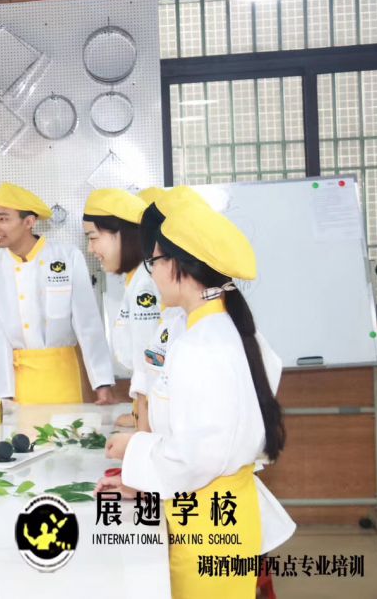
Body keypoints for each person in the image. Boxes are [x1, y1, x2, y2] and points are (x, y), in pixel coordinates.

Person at [98, 197, 294, 598]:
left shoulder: (200, 345)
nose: (152, 274)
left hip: (208, 523)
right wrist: (141, 478)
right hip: (214, 513)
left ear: (178, 266)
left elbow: (195, 457)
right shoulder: (218, 329)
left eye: (154, 262)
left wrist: (135, 449)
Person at [0, 183, 115, 405]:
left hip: (62, 378)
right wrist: (1, 397)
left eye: (3, 219)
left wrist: (102, 383)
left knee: (67, 428)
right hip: (16, 385)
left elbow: (88, 324)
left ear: (29, 222)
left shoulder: (67, 257)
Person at [82, 188, 161, 429]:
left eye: (93, 237)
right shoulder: (136, 278)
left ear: (122, 235)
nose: (90, 249)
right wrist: (138, 417)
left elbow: (150, 365)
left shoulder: (145, 284)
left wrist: (143, 430)